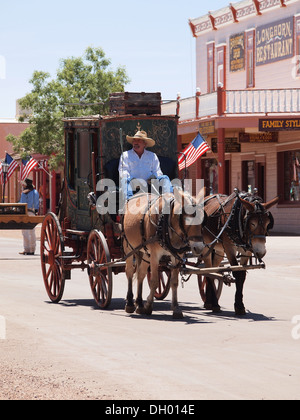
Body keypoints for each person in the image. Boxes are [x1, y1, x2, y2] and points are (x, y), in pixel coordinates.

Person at [118, 130, 173, 204]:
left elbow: (157, 171)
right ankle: (129, 201)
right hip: (131, 182)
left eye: (139, 141)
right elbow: (123, 171)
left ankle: (169, 200)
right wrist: (132, 179)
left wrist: (154, 177)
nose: (135, 143)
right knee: (124, 180)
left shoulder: (152, 156)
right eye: (134, 140)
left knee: (165, 178)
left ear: (145, 144)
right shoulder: (125, 155)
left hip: (149, 183)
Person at [19, 178, 40, 256]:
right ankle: (32, 249)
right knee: (32, 231)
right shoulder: (35, 192)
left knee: (25, 232)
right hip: (33, 213)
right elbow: (37, 204)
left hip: (26, 213)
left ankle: (26, 249)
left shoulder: (24, 193)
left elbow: (22, 204)